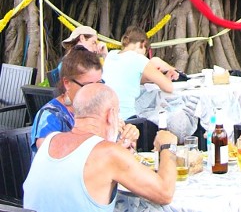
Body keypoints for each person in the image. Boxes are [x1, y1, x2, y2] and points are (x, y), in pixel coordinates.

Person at [24, 83, 178, 212]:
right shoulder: (108, 154)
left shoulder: (50, 140)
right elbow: (165, 193)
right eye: (118, 113)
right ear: (111, 115)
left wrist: (120, 151)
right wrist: (167, 146)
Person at [31, 46, 139, 153]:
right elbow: (49, 155)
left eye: (99, 84)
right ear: (67, 83)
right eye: (88, 86)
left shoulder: (101, 109)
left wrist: (127, 136)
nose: (96, 91)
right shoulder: (50, 116)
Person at [102, 25, 179, 120]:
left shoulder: (111, 54)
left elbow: (130, 78)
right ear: (143, 44)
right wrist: (165, 78)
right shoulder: (138, 59)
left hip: (105, 116)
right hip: (126, 117)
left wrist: (158, 78)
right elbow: (169, 87)